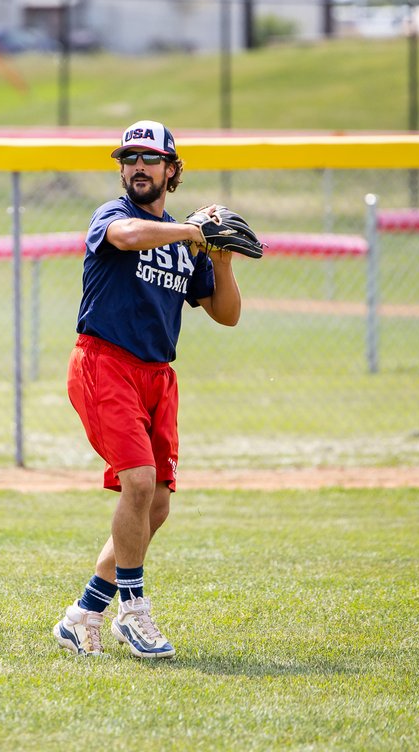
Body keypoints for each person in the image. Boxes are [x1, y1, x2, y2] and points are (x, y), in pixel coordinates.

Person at [53, 119, 244, 658]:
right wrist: (189, 230)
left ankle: (83, 613)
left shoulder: (188, 247)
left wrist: (221, 260)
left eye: (149, 159)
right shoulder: (115, 216)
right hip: (104, 363)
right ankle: (133, 612)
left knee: (155, 503)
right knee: (137, 483)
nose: (137, 167)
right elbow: (127, 238)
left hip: (158, 376)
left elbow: (226, 315)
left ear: (171, 170)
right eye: (128, 159)